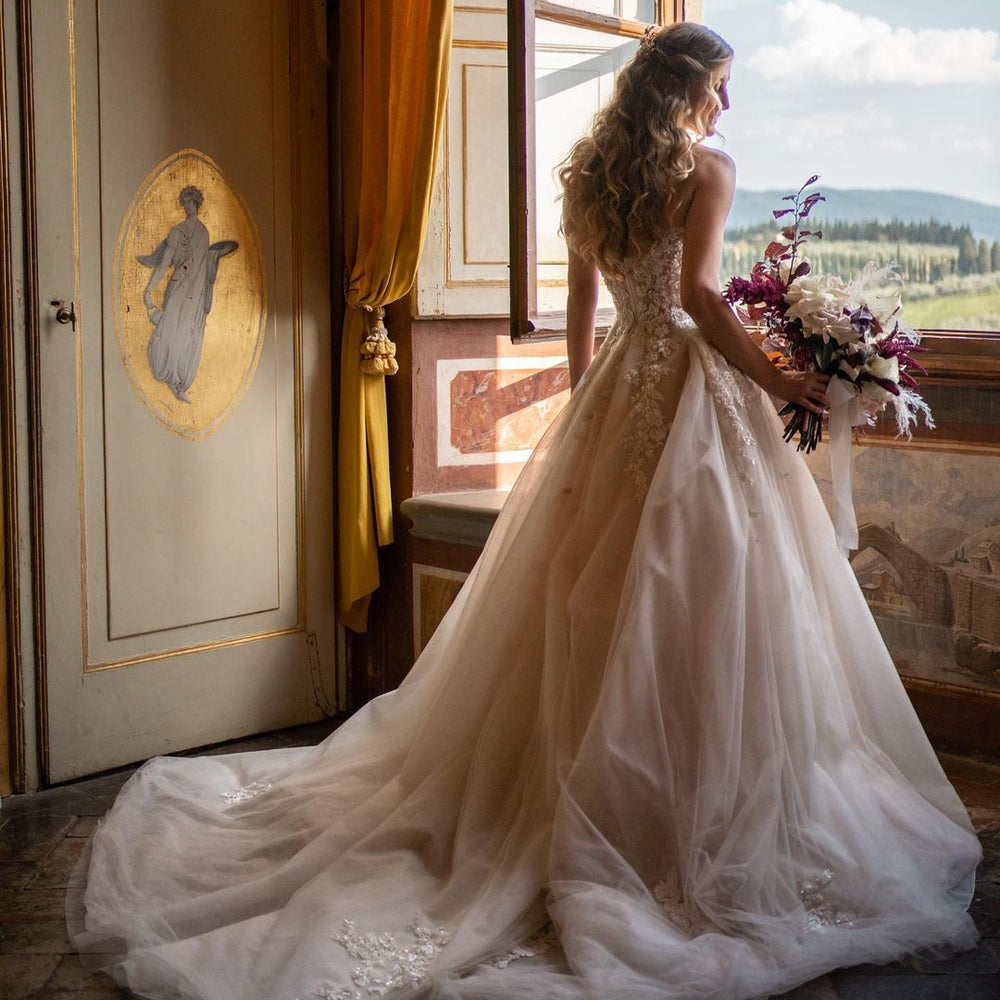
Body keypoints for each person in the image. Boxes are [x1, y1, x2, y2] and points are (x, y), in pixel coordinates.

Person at [69, 23, 979, 1000]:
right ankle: (681, 813)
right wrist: (778, 382)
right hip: (688, 399)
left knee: (610, 605)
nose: (728, 104)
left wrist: (590, 414)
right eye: (723, 83)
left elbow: (586, 318)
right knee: (709, 604)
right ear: (689, 89)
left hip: (621, 391)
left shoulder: (590, 177)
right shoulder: (707, 170)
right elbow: (704, 298)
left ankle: (612, 797)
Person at [138, 185, 238, 403]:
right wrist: (149, 289)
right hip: (180, 285)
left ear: (197, 204)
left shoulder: (203, 232)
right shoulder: (177, 231)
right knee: (172, 327)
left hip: (196, 290)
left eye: (189, 202)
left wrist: (217, 255)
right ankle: (171, 376)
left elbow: (205, 261)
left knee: (188, 331)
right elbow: (164, 264)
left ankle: (179, 383)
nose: (186, 206)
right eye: (184, 203)